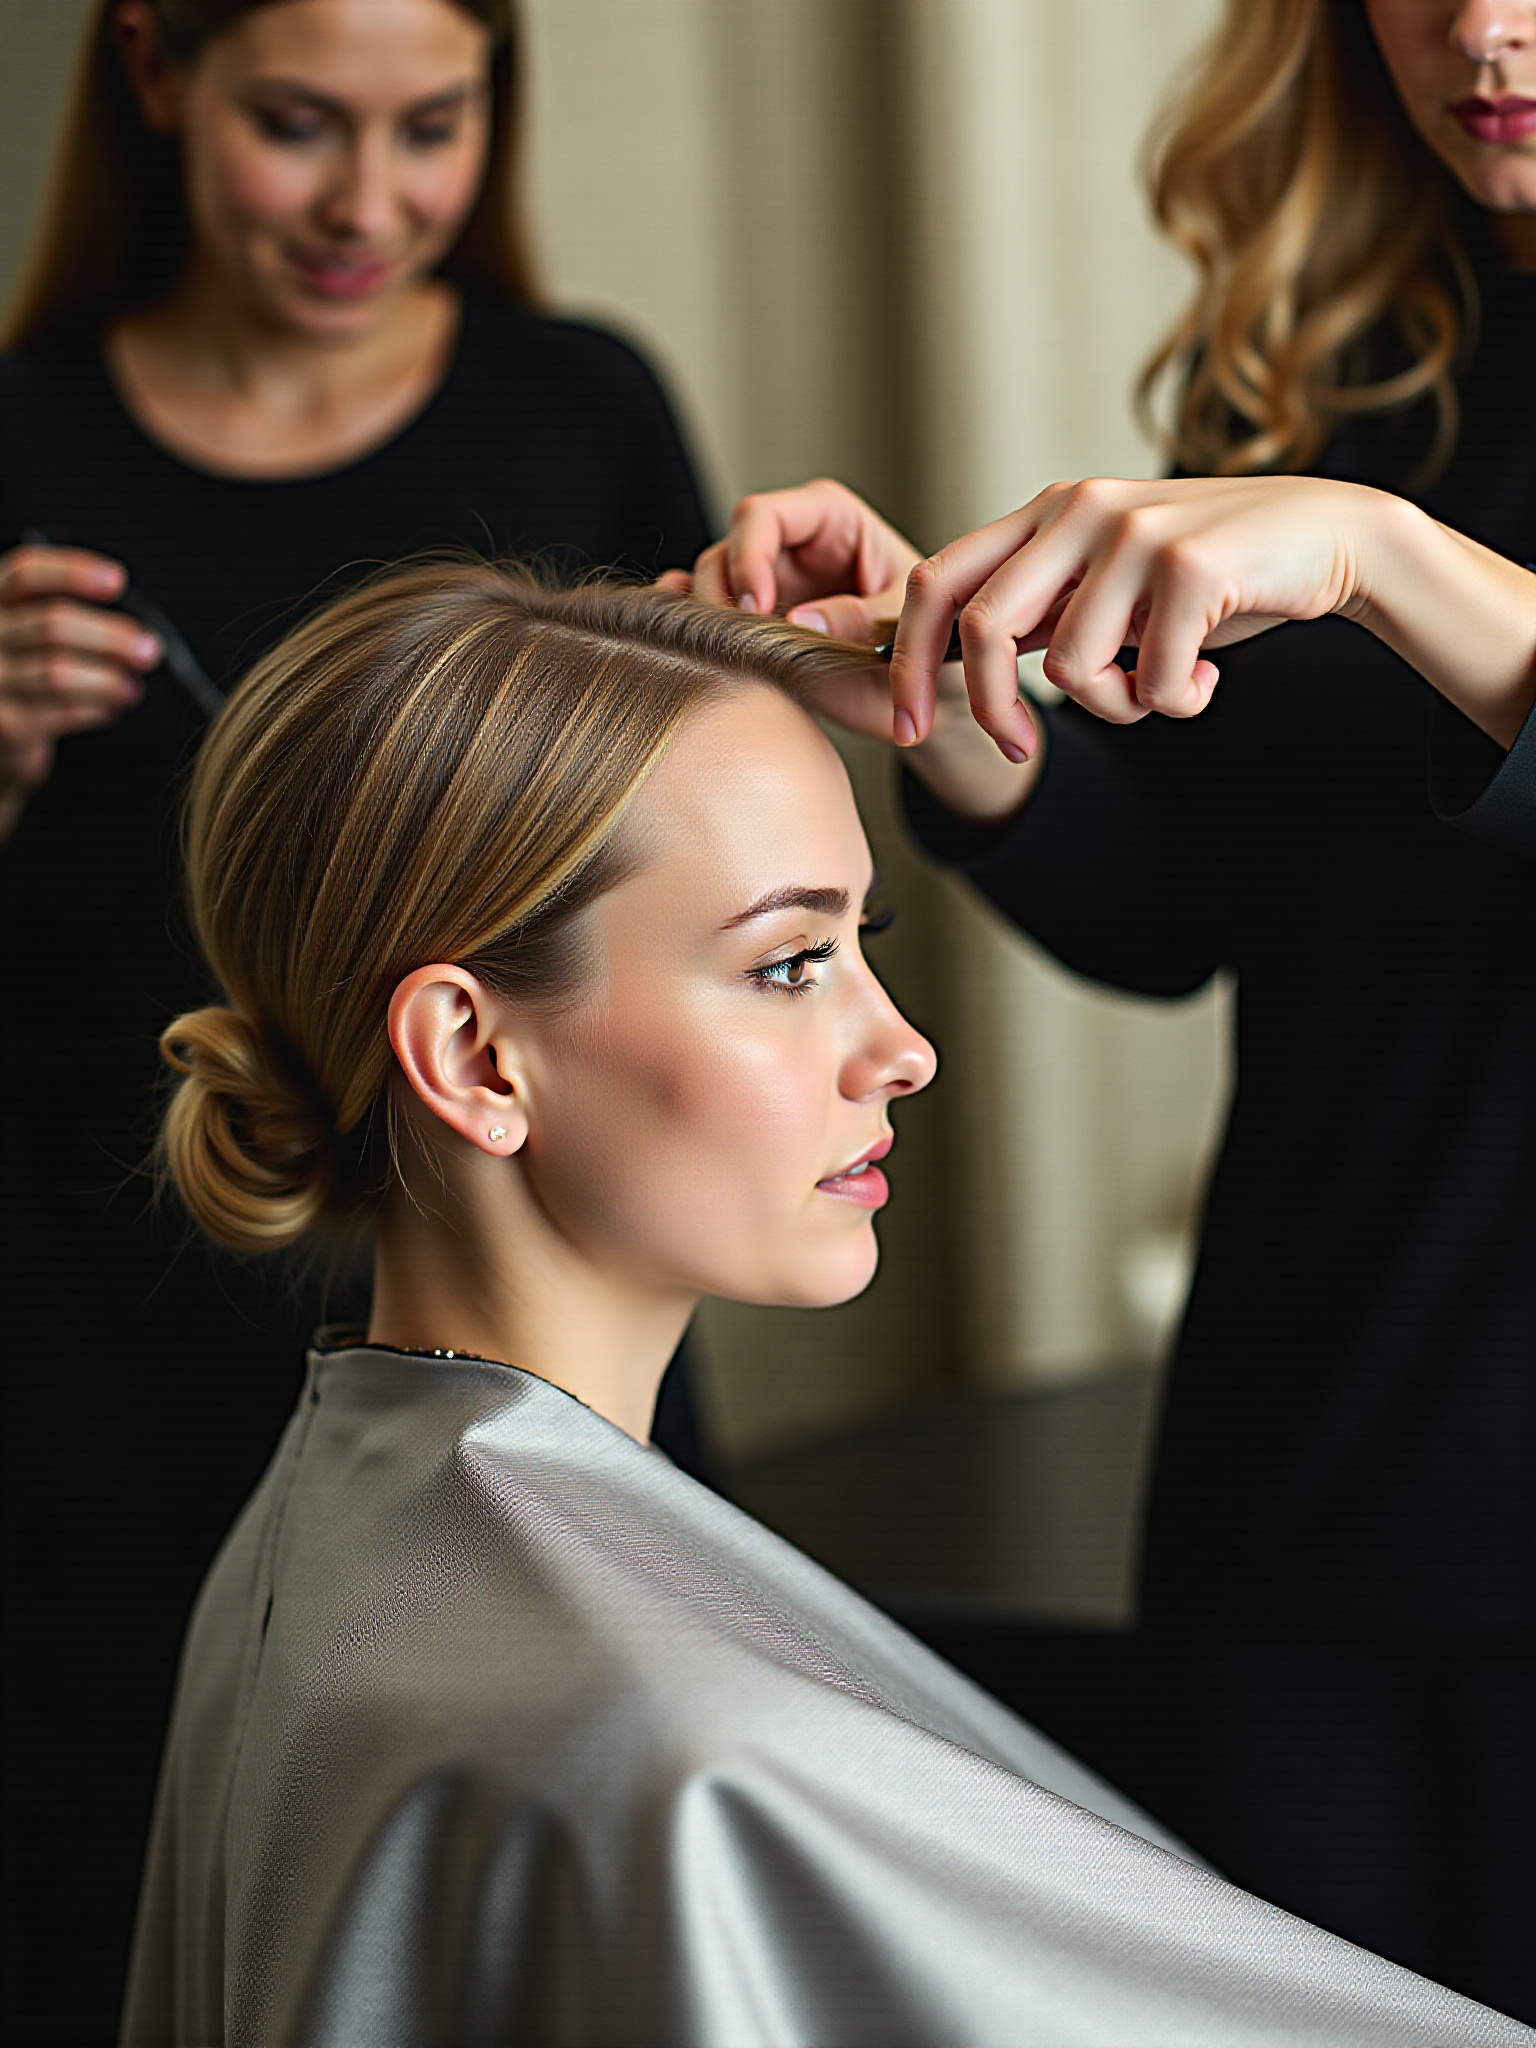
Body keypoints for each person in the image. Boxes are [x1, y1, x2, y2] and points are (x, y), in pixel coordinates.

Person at [119, 559, 1520, 2046]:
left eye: (867, 946)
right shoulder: (700, 1768)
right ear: (474, 1058)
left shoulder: (313, 1534)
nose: (901, 1049)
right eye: (790, 964)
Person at [675, 0, 1535, 2014]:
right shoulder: (1343, 371)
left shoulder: (1361, 504)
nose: (1485, 26)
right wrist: (942, 703)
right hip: (1302, 1487)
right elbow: (1191, 914)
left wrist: (1388, 562)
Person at [0, 3, 708, 2036]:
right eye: (300, 127)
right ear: (156, 74)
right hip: (91, 1382)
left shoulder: (580, 406)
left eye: (434, 127)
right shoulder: (21, 439)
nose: (368, 203)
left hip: (537, 1362)